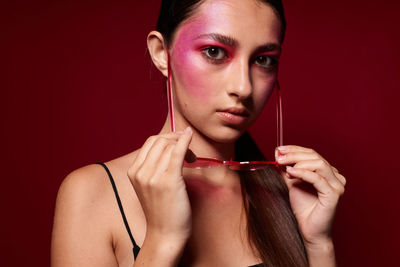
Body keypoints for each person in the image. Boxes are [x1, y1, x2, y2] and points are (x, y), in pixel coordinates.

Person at [51, 0, 346, 266]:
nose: (243, 88)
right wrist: (162, 239)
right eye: (215, 52)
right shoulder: (92, 194)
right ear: (160, 53)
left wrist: (318, 244)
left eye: (263, 59)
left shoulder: (288, 195)